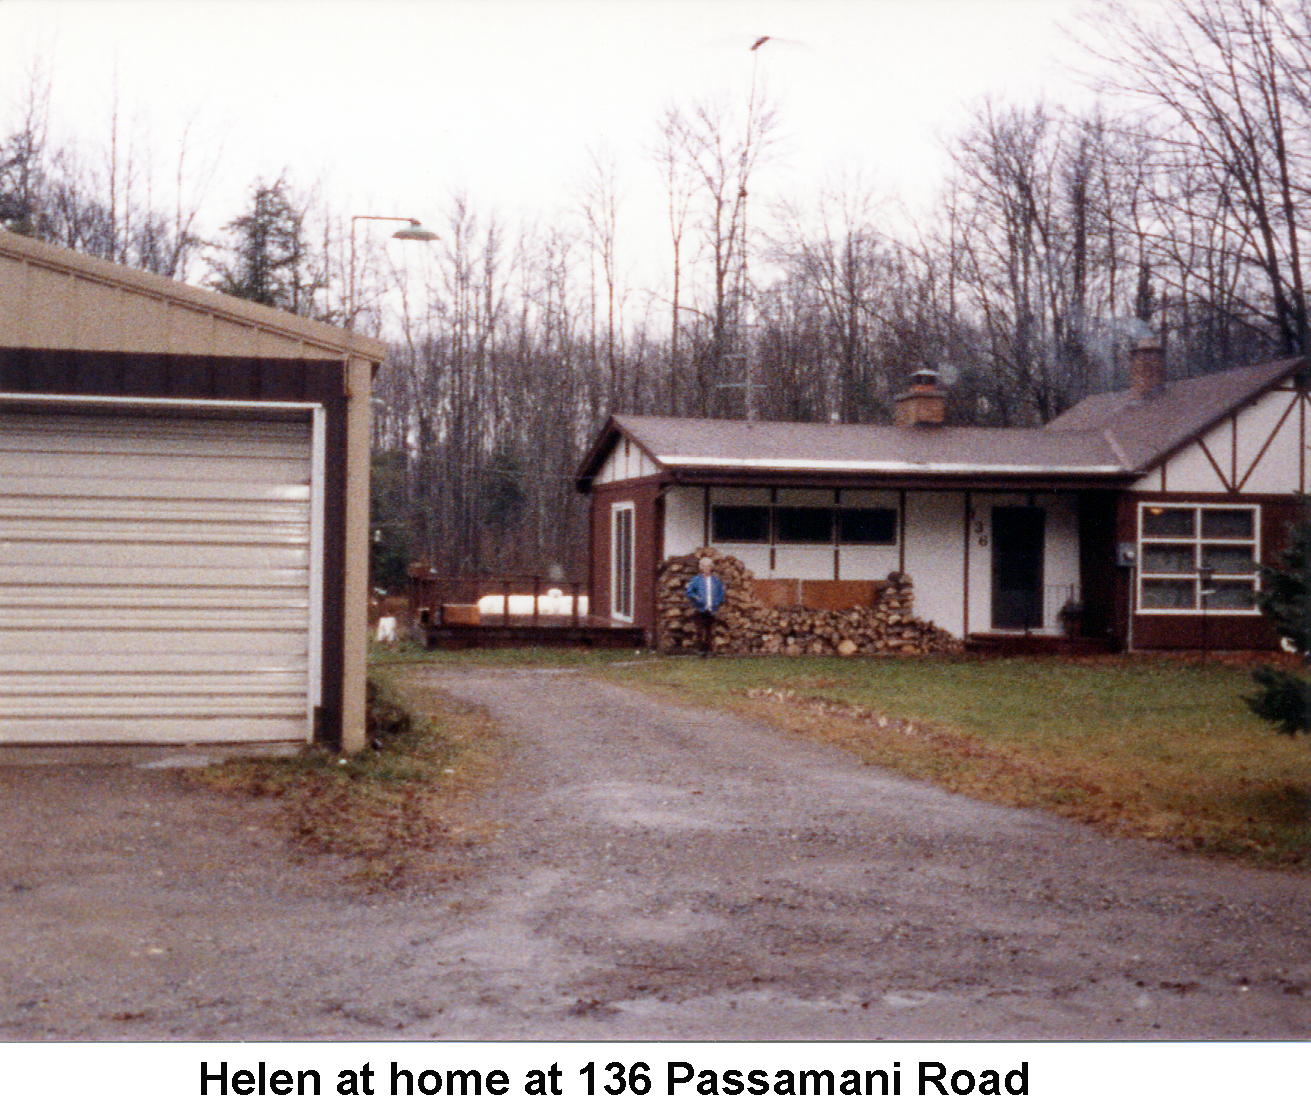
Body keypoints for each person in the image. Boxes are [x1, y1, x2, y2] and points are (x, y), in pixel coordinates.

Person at [685, 555, 726, 656]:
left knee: (709, 630)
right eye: (704, 566)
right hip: (700, 608)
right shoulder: (696, 580)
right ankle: (701, 650)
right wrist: (696, 598)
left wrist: (717, 602)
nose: (706, 568)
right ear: (701, 568)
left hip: (712, 608)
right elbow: (689, 592)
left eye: (708, 566)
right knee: (700, 630)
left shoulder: (716, 580)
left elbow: (721, 593)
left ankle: (709, 650)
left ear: (711, 567)